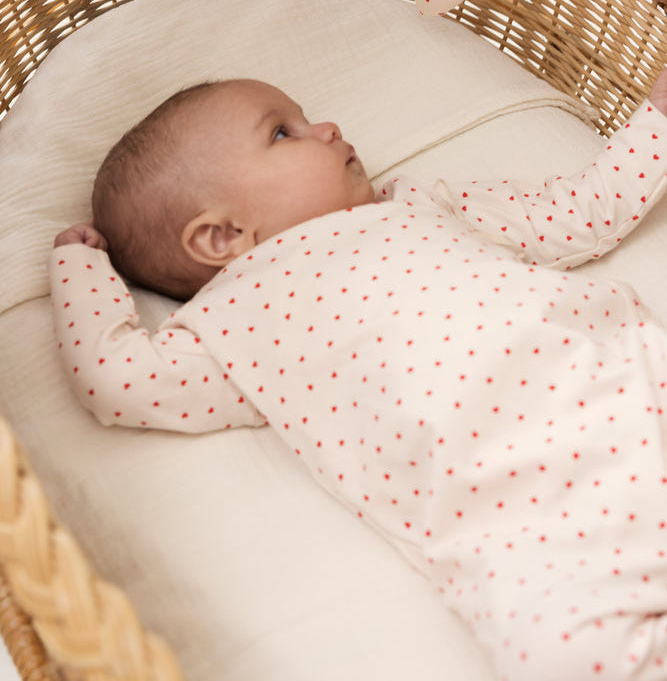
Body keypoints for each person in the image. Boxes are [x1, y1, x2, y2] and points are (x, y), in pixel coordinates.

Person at [50, 74, 667, 681]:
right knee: (567, 652)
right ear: (221, 235)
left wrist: (656, 119)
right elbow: (119, 377)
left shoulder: (421, 204)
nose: (328, 128)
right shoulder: (231, 326)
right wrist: (81, 266)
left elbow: (577, 211)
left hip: (618, 373)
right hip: (511, 507)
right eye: (284, 133)